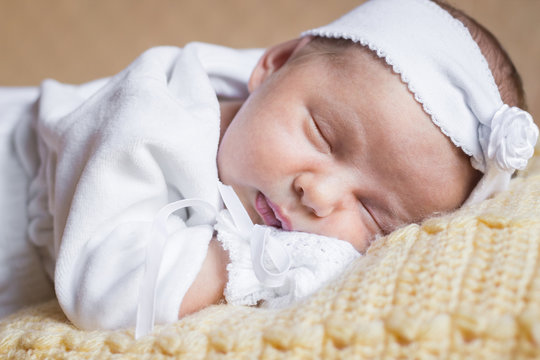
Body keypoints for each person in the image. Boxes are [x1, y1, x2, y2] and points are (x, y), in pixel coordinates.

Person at [0, 0, 537, 338]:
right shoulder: (148, 116)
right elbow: (109, 295)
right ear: (273, 65)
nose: (318, 195)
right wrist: (260, 263)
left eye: (374, 215)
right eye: (324, 135)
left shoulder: (261, 161)